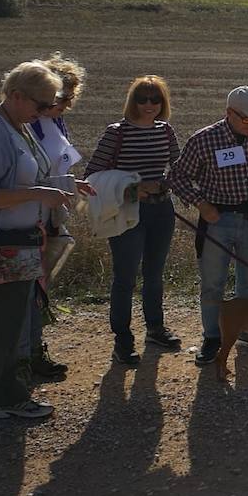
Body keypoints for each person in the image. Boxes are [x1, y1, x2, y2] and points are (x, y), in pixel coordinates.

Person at [0, 62, 73, 444]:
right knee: (2, 330)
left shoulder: (17, 126)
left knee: (12, 327)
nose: (46, 113)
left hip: (22, 240)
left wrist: (71, 184)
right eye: (41, 106)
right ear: (15, 95)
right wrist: (37, 195)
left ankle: (8, 397)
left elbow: (32, 176)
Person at [168, 86, 248, 367]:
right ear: (229, 114)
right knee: (213, 283)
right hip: (217, 221)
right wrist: (201, 204)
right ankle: (213, 337)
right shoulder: (204, 140)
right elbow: (176, 176)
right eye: (247, 119)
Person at [83, 75, 183, 365]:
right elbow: (92, 176)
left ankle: (155, 329)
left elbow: (178, 168)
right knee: (125, 277)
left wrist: (166, 184)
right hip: (128, 213)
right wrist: (132, 189)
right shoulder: (117, 133)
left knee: (154, 274)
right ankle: (122, 340)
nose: (149, 105)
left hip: (161, 210)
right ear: (133, 101)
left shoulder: (166, 131)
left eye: (156, 99)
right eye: (143, 99)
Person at [20, 52, 88, 382]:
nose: (64, 104)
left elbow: (56, 168)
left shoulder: (56, 122)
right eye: (60, 97)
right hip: (24, 221)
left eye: (69, 97)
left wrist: (74, 183)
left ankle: (34, 353)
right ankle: (20, 362)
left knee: (39, 290)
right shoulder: (25, 123)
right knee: (24, 293)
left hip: (50, 217)